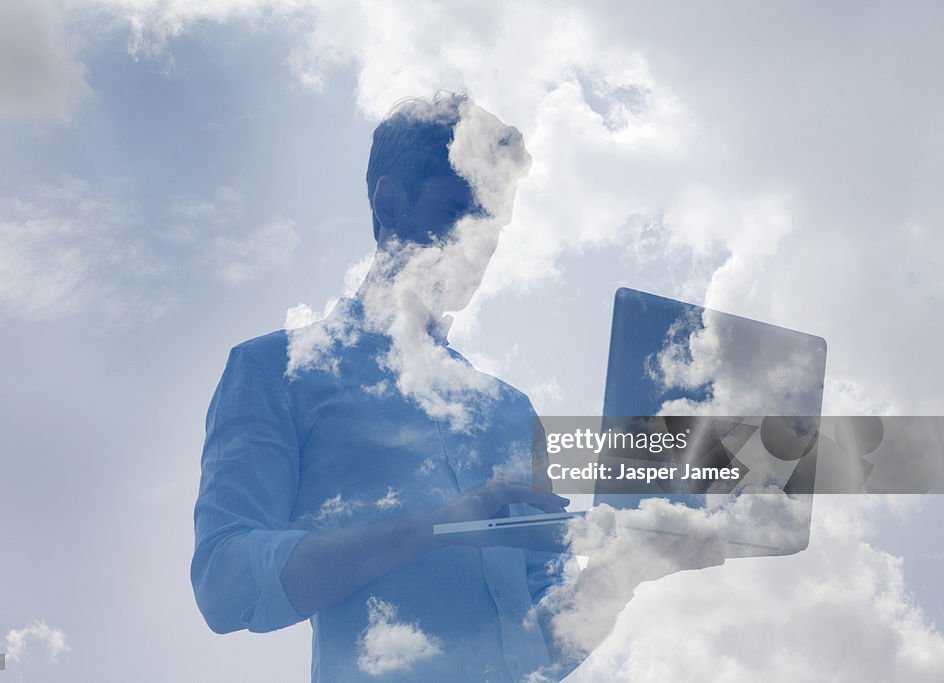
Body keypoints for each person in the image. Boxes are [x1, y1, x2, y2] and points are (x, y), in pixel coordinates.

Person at [191, 93, 720, 682]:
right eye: (459, 210)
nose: (481, 242)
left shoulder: (511, 411)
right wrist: (438, 526)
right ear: (391, 203)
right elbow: (223, 580)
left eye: (493, 220)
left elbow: (540, 647)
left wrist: (625, 570)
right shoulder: (274, 370)